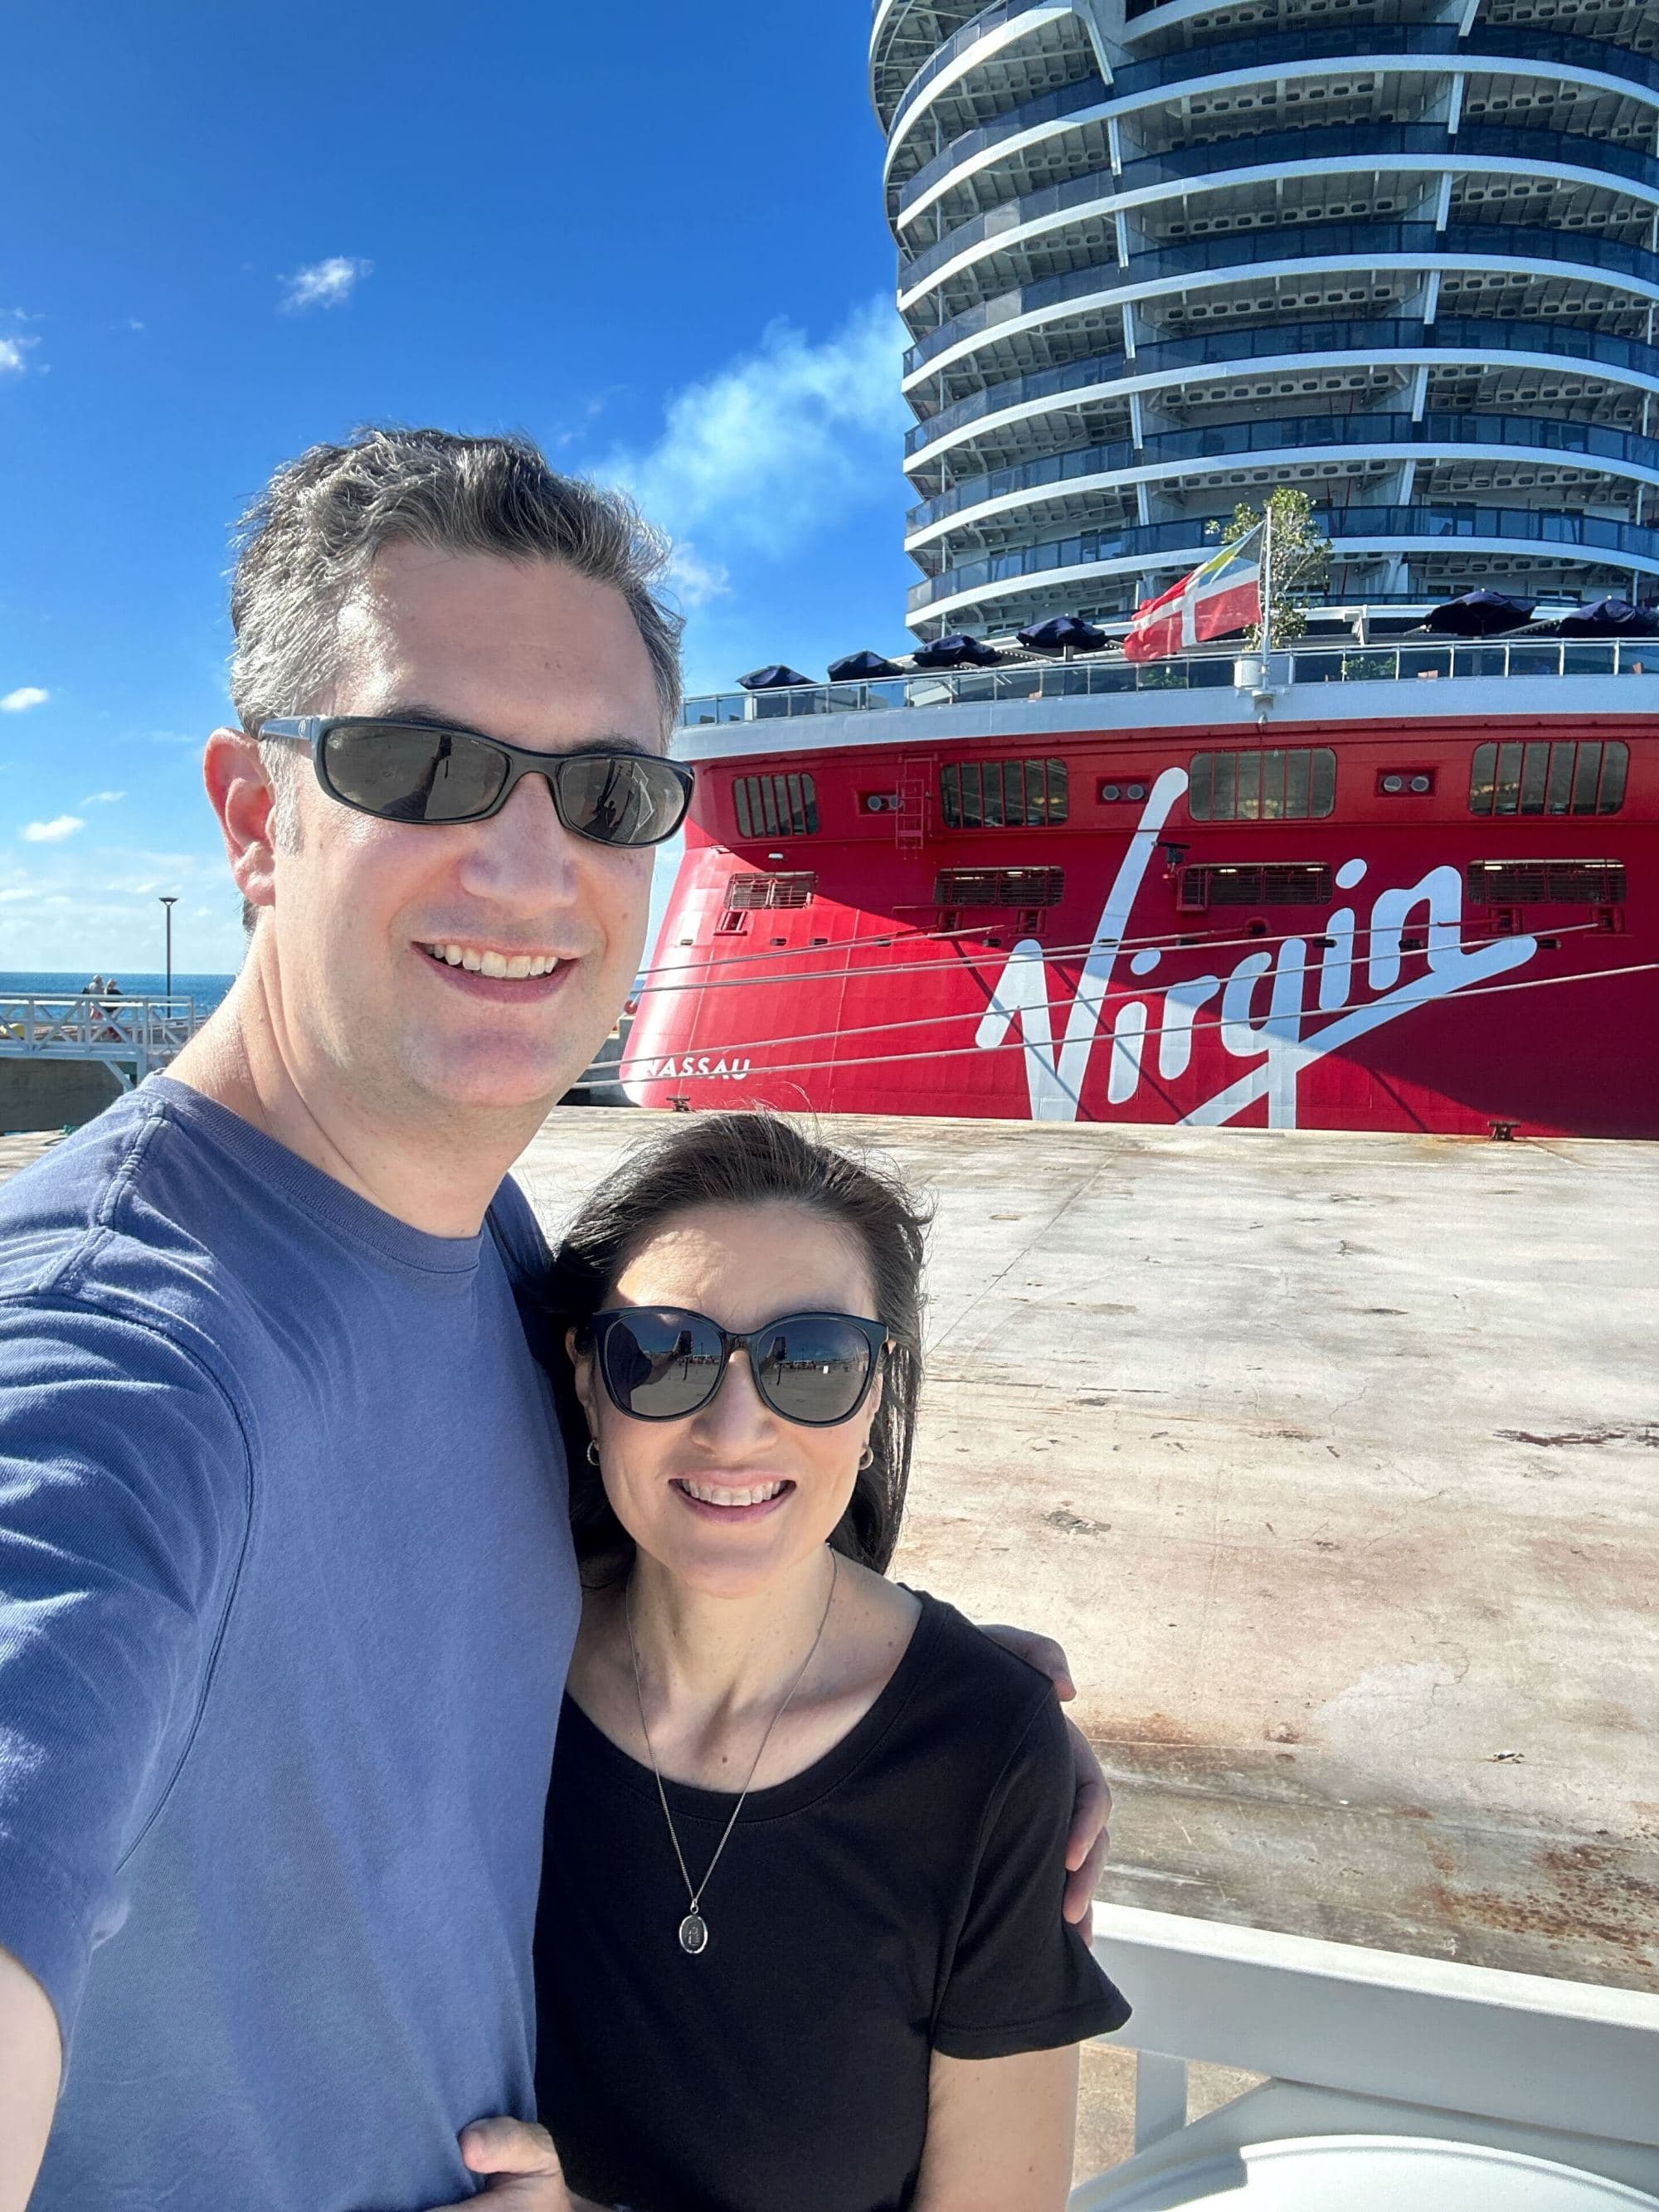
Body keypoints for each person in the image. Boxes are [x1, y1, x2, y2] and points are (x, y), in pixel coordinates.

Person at [0, 428, 1112, 2212]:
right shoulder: (107, 1354)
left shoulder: (486, 1246)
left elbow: (618, 1523)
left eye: (604, 792)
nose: (531, 869)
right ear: (251, 819)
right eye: (427, 764)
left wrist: (953, 1692)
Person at [528, 1112, 1129, 2212]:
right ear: (584, 1379)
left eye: (811, 1359)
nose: (736, 1424)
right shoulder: (487, 1671)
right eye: (664, 1352)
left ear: (875, 1391)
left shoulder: (982, 1758)